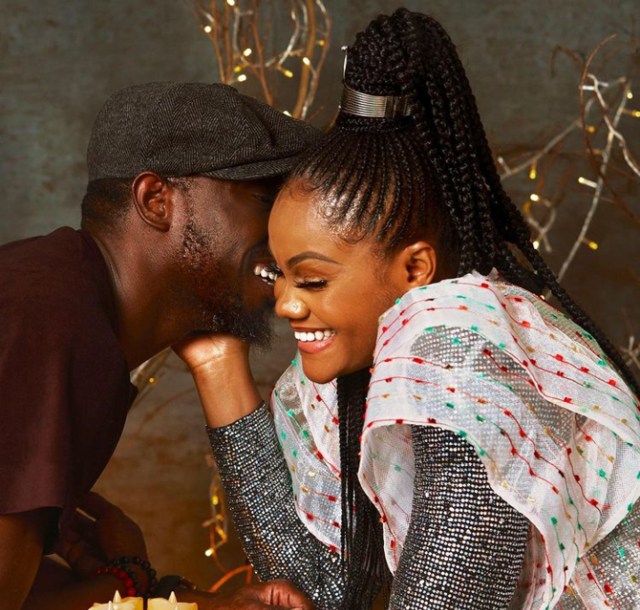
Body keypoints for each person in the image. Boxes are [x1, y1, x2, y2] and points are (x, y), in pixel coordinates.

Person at [178, 9, 640, 610]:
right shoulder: (379, 348)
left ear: (415, 269)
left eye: (313, 280)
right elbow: (318, 590)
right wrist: (217, 365)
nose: (286, 304)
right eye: (282, 275)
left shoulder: (463, 359)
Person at [0, 82, 317, 610]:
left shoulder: (64, 297)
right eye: (265, 200)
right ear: (156, 201)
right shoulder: (52, 324)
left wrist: (155, 589)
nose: (290, 236)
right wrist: (126, 585)